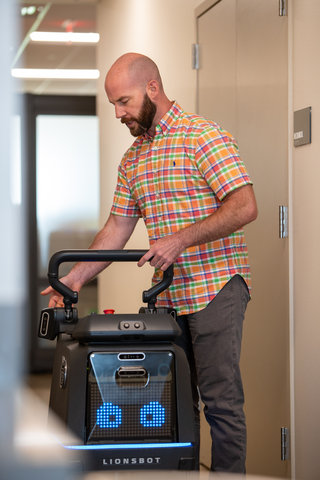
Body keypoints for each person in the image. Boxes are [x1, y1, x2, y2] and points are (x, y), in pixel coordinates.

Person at [42, 52, 258, 473]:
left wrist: (181, 238)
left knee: (221, 402)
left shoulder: (203, 136)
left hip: (215, 286)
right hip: (167, 296)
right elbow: (117, 228)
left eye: (123, 101)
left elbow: (245, 205)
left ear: (152, 89)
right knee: (176, 401)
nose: (119, 113)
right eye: (114, 105)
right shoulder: (134, 158)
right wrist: (73, 278)